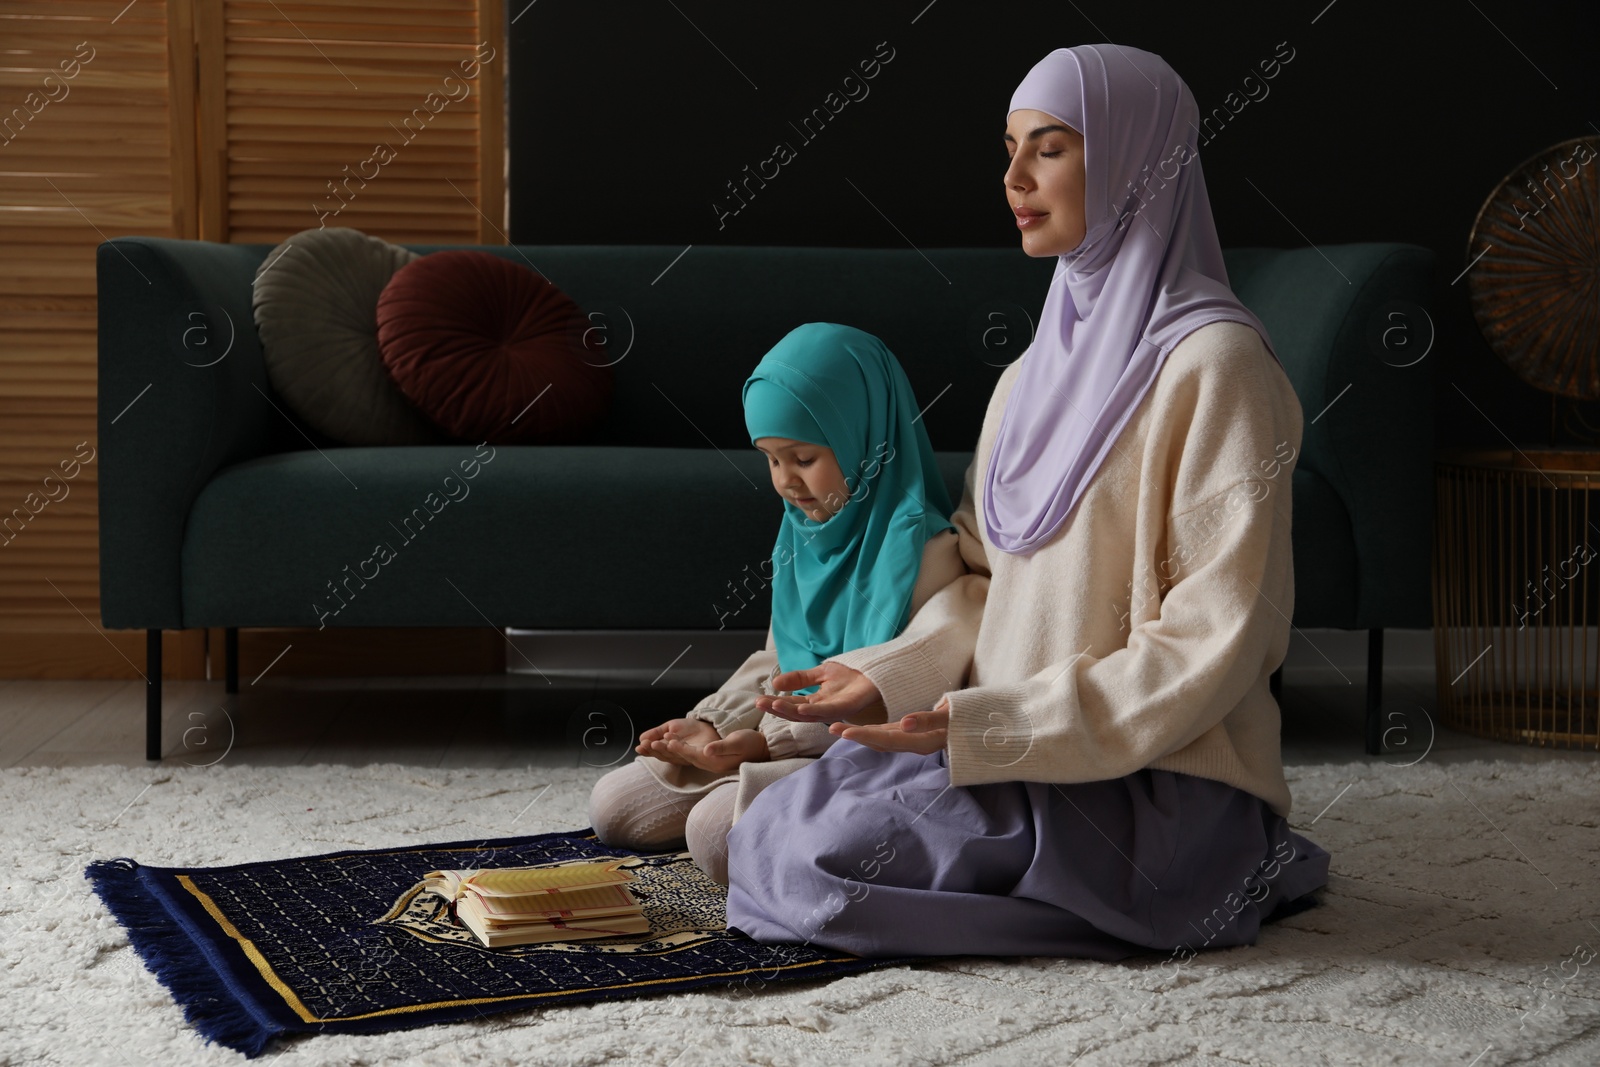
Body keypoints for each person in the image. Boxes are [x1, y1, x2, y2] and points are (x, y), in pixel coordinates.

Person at [725, 43, 1332, 960]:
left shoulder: (1220, 371)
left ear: (1140, 158)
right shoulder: (1027, 377)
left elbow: (1219, 639)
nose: (1013, 176)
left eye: (1050, 147)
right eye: (1008, 147)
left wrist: (1002, 726)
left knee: (812, 866)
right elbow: (977, 574)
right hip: (1001, 746)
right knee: (766, 837)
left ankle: (1204, 881)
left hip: (1146, 776)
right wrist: (891, 673)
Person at [586, 321, 964, 884]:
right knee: (614, 805)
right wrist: (717, 725)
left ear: (865, 436)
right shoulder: (804, 533)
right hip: (779, 739)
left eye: (803, 458)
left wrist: (764, 744)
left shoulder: (927, 552)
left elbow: (908, 701)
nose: (786, 481)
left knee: (716, 832)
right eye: (770, 460)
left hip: (863, 754)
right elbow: (781, 662)